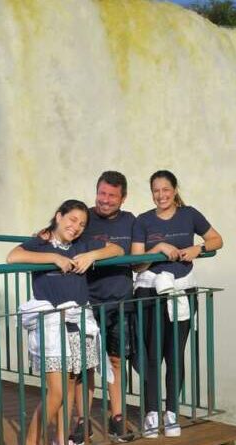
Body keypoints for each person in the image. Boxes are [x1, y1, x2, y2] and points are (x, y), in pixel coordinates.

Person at [8, 199, 123, 445]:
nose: (77, 227)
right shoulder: (40, 242)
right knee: (58, 392)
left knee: (71, 383)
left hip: (78, 320)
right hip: (52, 324)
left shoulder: (81, 244)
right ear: (59, 216)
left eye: (82, 224)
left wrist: (92, 255)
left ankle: (60, 440)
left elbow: (117, 250)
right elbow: (13, 256)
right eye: (72, 220)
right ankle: (31, 441)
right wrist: (53, 258)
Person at [131, 170, 223, 438]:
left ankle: (171, 412)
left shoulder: (190, 214)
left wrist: (198, 249)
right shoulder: (142, 221)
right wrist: (158, 247)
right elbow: (136, 263)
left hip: (182, 291)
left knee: (174, 353)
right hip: (150, 292)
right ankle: (150, 413)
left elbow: (217, 239)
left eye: (165, 190)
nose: (161, 195)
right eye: (156, 190)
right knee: (151, 356)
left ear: (174, 190)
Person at [70, 172, 136, 444]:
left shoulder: (131, 221)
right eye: (102, 193)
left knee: (116, 361)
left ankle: (116, 417)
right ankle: (81, 422)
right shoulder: (83, 217)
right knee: (84, 366)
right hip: (87, 302)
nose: (105, 200)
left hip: (120, 301)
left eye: (112, 195)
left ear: (123, 197)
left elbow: (125, 250)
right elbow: (60, 233)